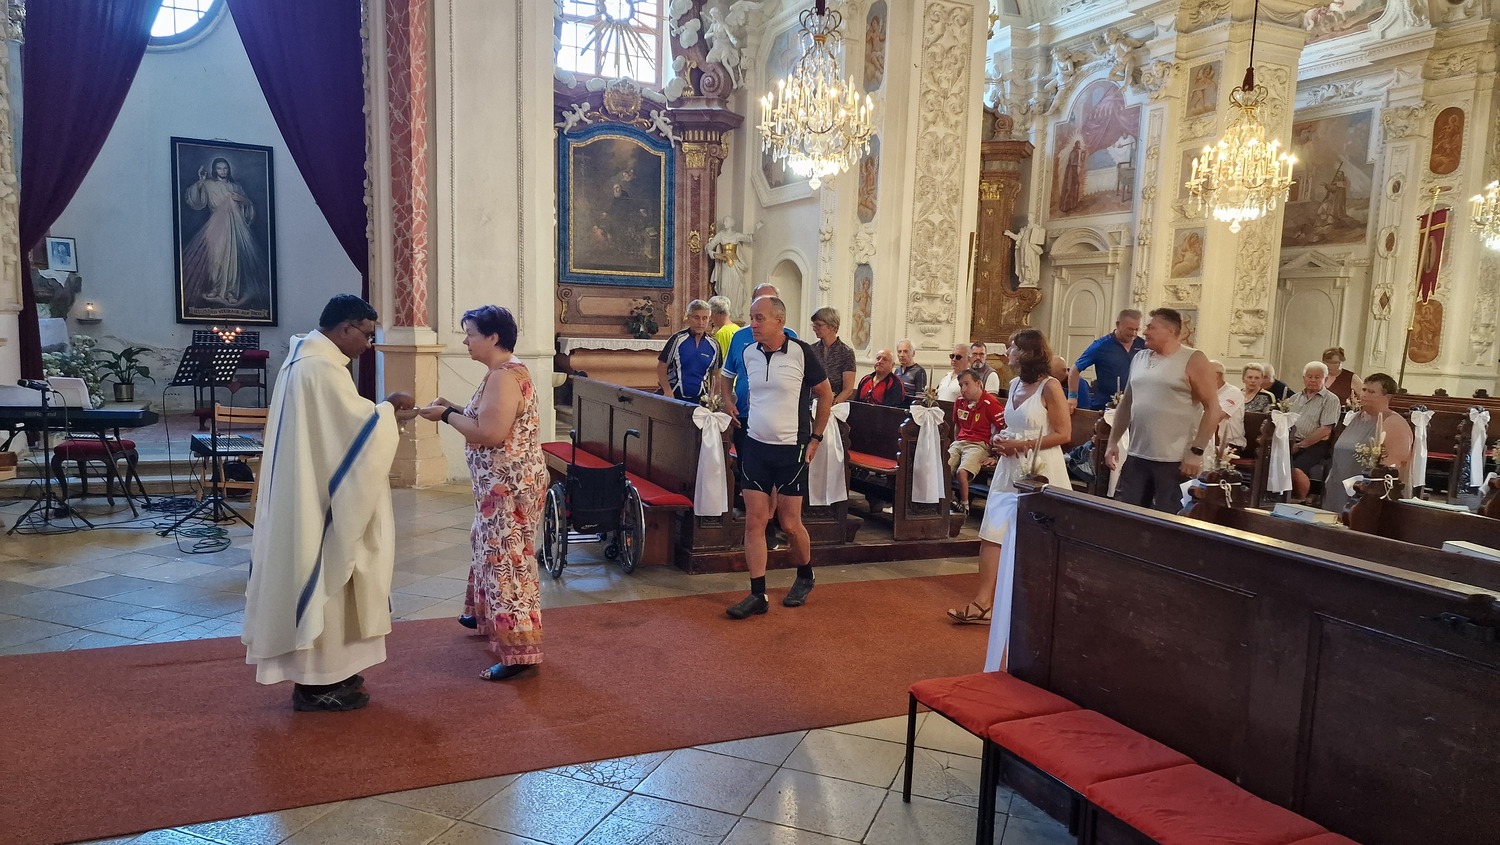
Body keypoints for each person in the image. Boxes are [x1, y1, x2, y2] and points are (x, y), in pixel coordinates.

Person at [243, 295, 417, 712]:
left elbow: (339, 428)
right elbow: (354, 433)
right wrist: (388, 410)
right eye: (367, 335)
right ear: (345, 328)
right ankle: (318, 682)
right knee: (328, 574)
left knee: (325, 575)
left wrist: (382, 413)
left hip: (308, 491)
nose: (368, 345)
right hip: (318, 501)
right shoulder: (320, 369)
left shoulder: (303, 360)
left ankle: (332, 673)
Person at [420, 306, 548, 681]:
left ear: (493, 337)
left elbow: (490, 433)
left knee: (507, 563)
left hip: (509, 488)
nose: (466, 341)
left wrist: (446, 417)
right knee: (487, 547)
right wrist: (453, 407)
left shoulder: (504, 377)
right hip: (501, 485)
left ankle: (520, 653)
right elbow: (489, 418)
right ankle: (484, 615)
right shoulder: (502, 372)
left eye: (471, 334)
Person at [719, 296, 833, 619]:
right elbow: (725, 376)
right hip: (755, 445)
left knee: (790, 523)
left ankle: (805, 574)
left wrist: (816, 438)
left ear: (779, 321)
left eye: (759, 318)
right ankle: (758, 594)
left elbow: (825, 394)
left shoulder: (801, 352)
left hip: (791, 449)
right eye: (752, 317)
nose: (752, 324)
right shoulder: (748, 352)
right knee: (755, 521)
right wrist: (727, 400)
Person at [948, 329, 1070, 624]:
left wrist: (1023, 444)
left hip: (1040, 468)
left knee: (1039, 537)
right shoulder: (1014, 383)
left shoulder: (1050, 387)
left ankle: (1040, 605)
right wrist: (1000, 439)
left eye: (1012, 347)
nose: (1007, 352)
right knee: (992, 531)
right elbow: (1009, 425)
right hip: (1009, 466)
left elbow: (1063, 433)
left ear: (1027, 352)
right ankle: (983, 603)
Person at [1104, 308, 1222, 513]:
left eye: (1151, 327)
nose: (1144, 332)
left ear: (1171, 330)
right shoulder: (1139, 358)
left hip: (1174, 459)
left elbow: (1213, 409)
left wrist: (1196, 452)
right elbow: (1127, 402)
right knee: (1126, 514)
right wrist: (1113, 441)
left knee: (1169, 517)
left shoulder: (1193, 359)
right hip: (1137, 454)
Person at [182, 157, 268, 310]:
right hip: (215, 225)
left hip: (234, 227)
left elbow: (249, 209)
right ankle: (216, 288)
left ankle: (231, 292)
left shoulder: (236, 187)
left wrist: (243, 200)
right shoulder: (209, 184)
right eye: (219, 168)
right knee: (216, 258)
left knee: (233, 258)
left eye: (225, 168)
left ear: (229, 169)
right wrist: (201, 181)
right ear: (215, 170)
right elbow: (195, 201)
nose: (223, 171)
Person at [1320, 373, 1413, 513]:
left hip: (1366, 494)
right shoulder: (1356, 417)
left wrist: (1368, 488)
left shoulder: (1394, 423)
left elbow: (1393, 467)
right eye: (1364, 390)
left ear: (1387, 397)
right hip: (1338, 486)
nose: (1364, 394)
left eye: (1371, 392)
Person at [719, 283, 797, 424]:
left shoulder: (791, 338)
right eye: (759, 300)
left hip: (780, 418)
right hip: (744, 414)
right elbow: (728, 374)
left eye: (770, 300)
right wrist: (727, 402)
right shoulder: (739, 337)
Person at [947, 369, 1005, 515]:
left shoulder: (990, 403)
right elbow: (957, 425)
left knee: (962, 471)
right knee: (944, 467)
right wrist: (956, 441)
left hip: (979, 444)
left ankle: (965, 505)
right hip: (960, 442)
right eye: (961, 385)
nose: (963, 389)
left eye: (967, 384)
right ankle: (947, 501)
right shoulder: (960, 401)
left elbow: (1004, 429)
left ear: (978, 383)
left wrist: (995, 456)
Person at [1288, 361, 1343, 503]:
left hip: (1316, 444)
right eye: (1309, 376)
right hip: (1291, 441)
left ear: (1325, 379)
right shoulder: (1294, 398)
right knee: (1272, 462)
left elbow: (1325, 429)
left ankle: (1301, 499)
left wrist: (1300, 445)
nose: (1312, 380)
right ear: (1304, 378)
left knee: (1295, 469)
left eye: (1317, 377)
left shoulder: (1331, 400)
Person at [1069, 309, 1145, 410]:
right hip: (1105, 406)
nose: (1134, 333)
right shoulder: (1101, 345)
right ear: (1118, 325)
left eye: (1137, 329)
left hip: (1135, 406)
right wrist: (1072, 397)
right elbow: (1074, 370)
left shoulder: (1143, 345)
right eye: (1130, 329)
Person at [657, 299, 721, 401]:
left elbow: (716, 374)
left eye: (705, 318)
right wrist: (667, 391)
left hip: (700, 398)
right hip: (674, 396)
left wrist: (714, 397)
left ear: (709, 319)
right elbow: (661, 367)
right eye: (696, 318)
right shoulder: (677, 339)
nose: (701, 322)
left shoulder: (714, 345)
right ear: (688, 318)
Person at [809, 307, 857, 404]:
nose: (814, 328)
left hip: (835, 406)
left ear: (832, 326)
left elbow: (848, 389)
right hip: (812, 404)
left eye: (819, 325)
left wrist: (830, 405)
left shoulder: (846, 352)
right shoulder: (812, 350)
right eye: (814, 325)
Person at [706, 219, 753, 312]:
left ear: (732, 223)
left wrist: (758, 228)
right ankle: (724, 311)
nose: (724, 223)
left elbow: (749, 238)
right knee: (723, 287)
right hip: (725, 265)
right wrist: (715, 254)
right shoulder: (720, 235)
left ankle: (734, 311)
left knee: (736, 287)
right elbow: (709, 247)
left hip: (735, 265)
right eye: (724, 221)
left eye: (726, 221)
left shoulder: (736, 235)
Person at [1210, 360, 1247, 449]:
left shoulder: (1233, 392)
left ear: (1217, 376)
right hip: (1212, 443)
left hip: (1231, 445)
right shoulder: (1209, 392)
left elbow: (1217, 416)